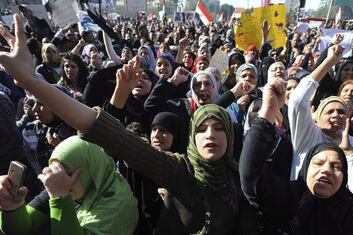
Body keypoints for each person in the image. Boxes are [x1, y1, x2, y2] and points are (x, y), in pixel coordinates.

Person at [0, 16, 258, 233]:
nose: (211, 134)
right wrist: (30, 80)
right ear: (191, 137)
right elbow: (101, 128)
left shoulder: (242, 179)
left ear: (232, 135)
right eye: (201, 129)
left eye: (219, 127)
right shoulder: (177, 170)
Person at [239, 79, 353, 234]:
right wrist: (268, 110)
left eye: (336, 166)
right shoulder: (288, 197)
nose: (326, 170)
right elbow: (251, 177)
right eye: (318, 163)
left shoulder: (352, 213)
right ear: (306, 168)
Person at [0, 136, 138, 235]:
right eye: (55, 171)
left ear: (90, 169)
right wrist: (12, 207)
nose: (60, 179)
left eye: (68, 173)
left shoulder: (120, 201)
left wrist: (60, 197)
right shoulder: (58, 185)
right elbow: (21, 229)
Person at [288, 44, 353, 196]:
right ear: (317, 117)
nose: (336, 115)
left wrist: (348, 152)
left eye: (341, 112)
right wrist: (329, 62)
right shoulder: (307, 134)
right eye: (329, 111)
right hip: (299, 207)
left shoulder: (352, 144)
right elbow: (297, 100)